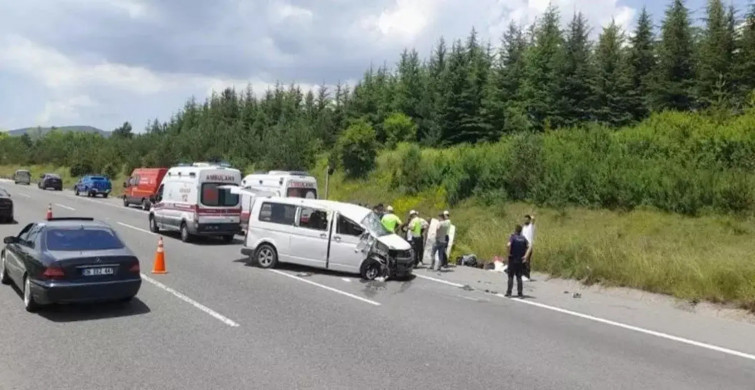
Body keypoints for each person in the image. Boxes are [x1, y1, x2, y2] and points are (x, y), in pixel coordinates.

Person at [506, 224, 531, 298]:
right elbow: (529, 246)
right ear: (521, 231)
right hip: (520, 259)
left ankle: (509, 292)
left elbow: (508, 245)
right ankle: (520, 293)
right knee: (519, 276)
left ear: (515, 230)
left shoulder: (513, 237)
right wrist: (526, 256)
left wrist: (508, 253)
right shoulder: (523, 238)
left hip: (513, 258)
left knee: (511, 276)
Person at [522, 214, 535, 280]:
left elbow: (533, 220)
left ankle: (527, 276)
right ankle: (523, 274)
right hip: (523, 246)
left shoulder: (531, 226)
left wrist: (531, 217)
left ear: (529, 220)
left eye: (527, 219)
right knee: (523, 260)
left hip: (529, 246)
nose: (525, 220)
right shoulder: (524, 227)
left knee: (527, 261)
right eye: (525, 219)